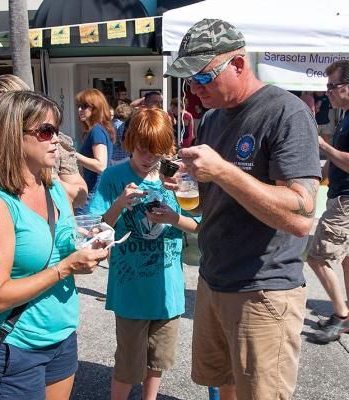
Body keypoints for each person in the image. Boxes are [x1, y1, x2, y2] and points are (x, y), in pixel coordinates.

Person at [164, 18, 320, 400]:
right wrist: (188, 179)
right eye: (189, 82)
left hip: (263, 290)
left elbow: (301, 217)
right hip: (214, 279)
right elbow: (214, 198)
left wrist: (222, 171)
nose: (195, 90)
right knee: (223, 386)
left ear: (237, 64)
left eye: (202, 77)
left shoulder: (286, 113)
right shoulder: (213, 119)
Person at [0, 90, 108, 399]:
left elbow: (65, 246)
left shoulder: (53, 187)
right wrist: (65, 268)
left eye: (57, 129)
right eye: (45, 131)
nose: (56, 138)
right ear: (11, 136)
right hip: (14, 347)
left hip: (61, 337)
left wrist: (88, 247)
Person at [88, 108, 199, 400]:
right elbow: (95, 226)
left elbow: (198, 224)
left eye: (158, 151)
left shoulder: (176, 177)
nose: (149, 157)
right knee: (127, 364)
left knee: (158, 361)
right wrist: (120, 204)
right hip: (130, 291)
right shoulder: (114, 176)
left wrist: (173, 219)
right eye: (142, 149)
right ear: (129, 141)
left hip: (168, 292)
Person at [0, 74, 87, 208]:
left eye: (11, 107)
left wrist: (51, 182)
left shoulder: (51, 140)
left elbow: (80, 196)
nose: (5, 116)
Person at [307, 60, 349, 343]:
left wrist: (323, 146)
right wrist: (317, 175)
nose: (328, 91)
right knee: (346, 260)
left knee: (316, 257)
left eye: (333, 86)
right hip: (340, 194)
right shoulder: (345, 115)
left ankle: (341, 315)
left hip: (345, 201)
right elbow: (334, 164)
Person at [75, 88, 115, 212]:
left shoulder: (96, 131)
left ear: (96, 108)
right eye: (79, 106)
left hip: (93, 193)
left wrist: (72, 155)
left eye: (84, 106)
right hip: (95, 191)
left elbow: (100, 165)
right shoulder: (97, 130)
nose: (79, 110)